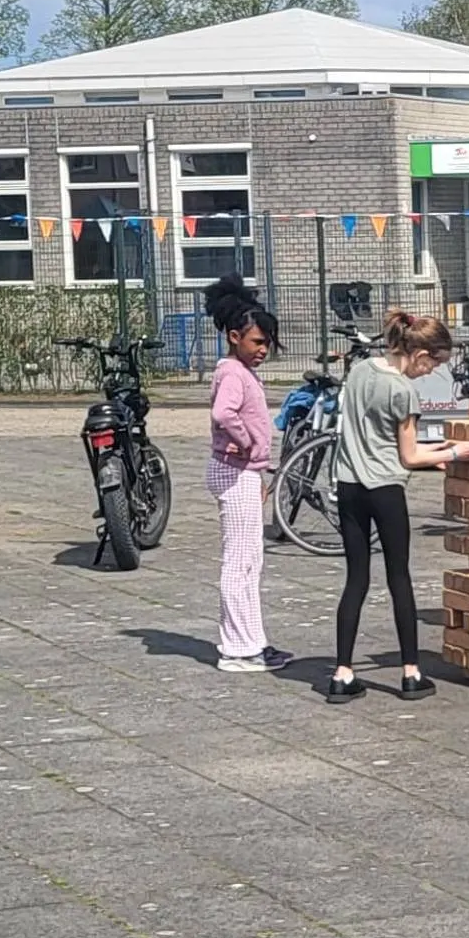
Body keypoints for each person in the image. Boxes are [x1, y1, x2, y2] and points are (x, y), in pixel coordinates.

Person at [325, 309, 469, 704]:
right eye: (435, 364)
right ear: (420, 354)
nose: (431, 372)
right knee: (399, 577)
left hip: (349, 485)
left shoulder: (361, 370)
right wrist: (454, 450)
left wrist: (441, 450)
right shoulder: (404, 392)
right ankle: (411, 672)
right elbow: (409, 457)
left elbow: (382, 442)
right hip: (385, 490)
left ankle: (342, 673)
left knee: (356, 579)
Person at [204, 282, 288, 674]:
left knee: (251, 559)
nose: (263, 349)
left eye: (267, 342)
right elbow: (224, 414)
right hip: (234, 473)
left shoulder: (242, 371)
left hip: (244, 474)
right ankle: (237, 648)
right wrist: (250, 442)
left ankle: (254, 640)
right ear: (233, 337)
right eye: (256, 341)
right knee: (239, 561)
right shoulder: (233, 373)